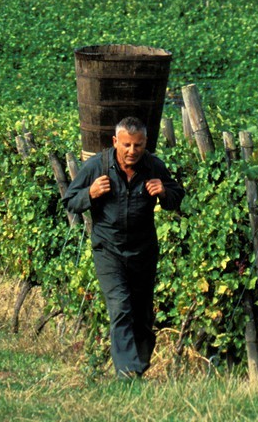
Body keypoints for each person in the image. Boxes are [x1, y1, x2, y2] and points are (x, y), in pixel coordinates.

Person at [63, 116, 184, 379]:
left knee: (141, 314)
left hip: (143, 251)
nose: (132, 151)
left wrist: (164, 192)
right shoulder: (97, 166)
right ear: (115, 141)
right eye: (126, 145)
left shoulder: (154, 167)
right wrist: (90, 194)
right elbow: (70, 201)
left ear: (146, 144)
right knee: (120, 306)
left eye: (138, 145)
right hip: (108, 250)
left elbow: (177, 197)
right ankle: (127, 373)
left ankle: (137, 367)